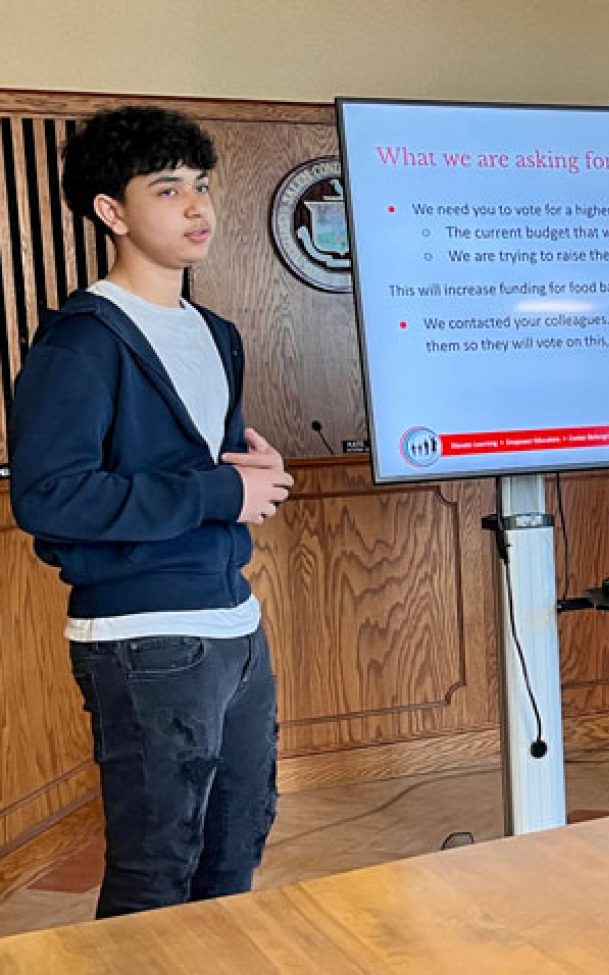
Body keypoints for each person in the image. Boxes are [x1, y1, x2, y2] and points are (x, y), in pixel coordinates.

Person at [7, 106, 293, 917]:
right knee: (156, 866)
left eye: (201, 185)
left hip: (235, 622)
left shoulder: (216, 332)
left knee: (237, 844)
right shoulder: (81, 341)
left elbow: (206, 466)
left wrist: (256, 475)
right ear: (112, 211)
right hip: (143, 636)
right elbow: (48, 496)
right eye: (168, 190)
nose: (198, 206)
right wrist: (220, 494)